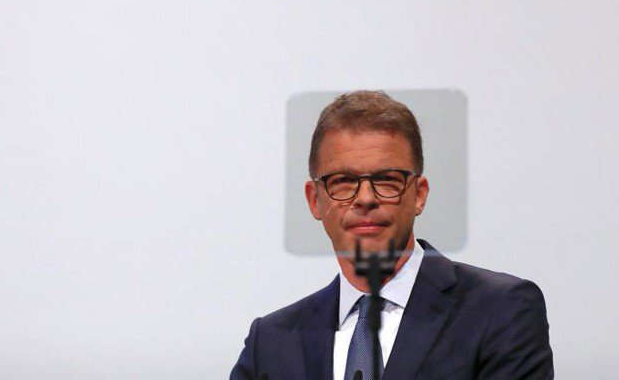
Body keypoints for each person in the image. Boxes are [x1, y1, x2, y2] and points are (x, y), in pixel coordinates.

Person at [230, 91, 553, 379]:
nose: (365, 198)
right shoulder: (271, 341)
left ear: (419, 194)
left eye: (387, 180)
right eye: (343, 181)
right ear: (315, 200)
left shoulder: (499, 309)